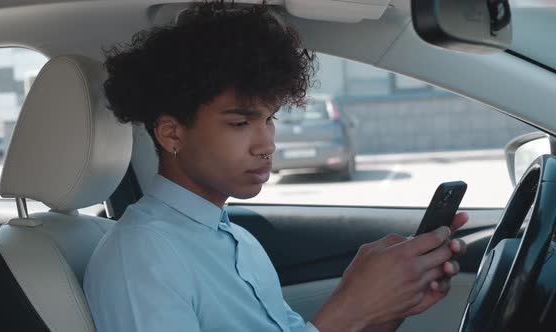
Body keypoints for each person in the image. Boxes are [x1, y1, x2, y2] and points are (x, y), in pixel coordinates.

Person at [83, 1, 468, 332]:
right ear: (171, 134)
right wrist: (350, 307)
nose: (267, 144)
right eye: (240, 123)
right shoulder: (141, 257)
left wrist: (384, 310)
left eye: (270, 119)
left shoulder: (237, 241)